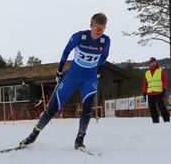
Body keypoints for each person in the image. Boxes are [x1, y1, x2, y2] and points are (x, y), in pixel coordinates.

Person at [19, 12, 110, 149]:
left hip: (89, 78)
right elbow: (65, 52)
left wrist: (97, 73)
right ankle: (33, 135)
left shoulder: (105, 41)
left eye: (103, 29)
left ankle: (80, 139)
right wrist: (59, 71)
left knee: (87, 108)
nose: (100, 32)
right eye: (98, 29)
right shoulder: (79, 36)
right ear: (91, 25)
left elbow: (103, 58)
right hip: (72, 77)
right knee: (53, 108)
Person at [143, 57, 170, 123]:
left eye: (154, 62)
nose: (153, 63)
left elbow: (164, 81)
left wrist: (164, 89)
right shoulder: (147, 73)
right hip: (150, 93)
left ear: (156, 62)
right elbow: (145, 84)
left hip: (159, 92)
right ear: (150, 63)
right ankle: (155, 122)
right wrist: (144, 92)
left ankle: (166, 120)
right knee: (152, 109)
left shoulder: (160, 71)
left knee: (162, 107)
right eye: (152, 62)